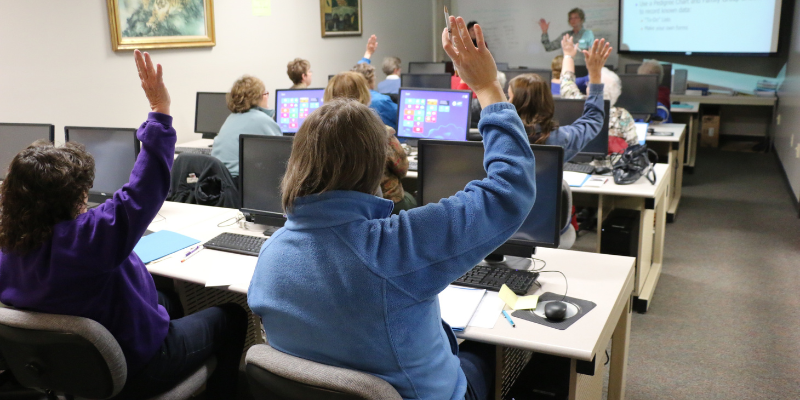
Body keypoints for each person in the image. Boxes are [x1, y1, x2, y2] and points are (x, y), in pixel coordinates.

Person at [248, 17, 535, 400]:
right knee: (492, 353)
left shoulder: (271, 253)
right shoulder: (396, 247)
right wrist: (487, 86)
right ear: (374, 164)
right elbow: (510, 190)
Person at [0, 50, 247, 399]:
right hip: (140, 367)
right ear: (71, 199)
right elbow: (142, 190)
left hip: (73, 368)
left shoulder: (9, 244)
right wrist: (160, 111)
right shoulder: (88, 239)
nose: (86, 200)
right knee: (232, 316)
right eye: (81, 193)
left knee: (166, 298)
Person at [509, 39, 612, 162]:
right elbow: (593, 119)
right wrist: (595, 75)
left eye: (509, 97)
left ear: (518, 103)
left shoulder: (499, 137)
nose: (507, 102)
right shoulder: (561, 139)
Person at [325, 72, 415, 213]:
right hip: (383, 203)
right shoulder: (381, 132)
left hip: (339, 208)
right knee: (411, 199)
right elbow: (402, 169)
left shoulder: (319, 135)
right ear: (364, 95)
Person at [560, 35, 638, 155]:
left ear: (592, 89)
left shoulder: (577, 105)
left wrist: (568, 55)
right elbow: (634, 150)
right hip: (613, 170)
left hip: (576, 168)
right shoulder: (623, 116)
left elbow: (566, 80)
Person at [211, 75, 281, 178]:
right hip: (242, 182)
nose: (266, 97)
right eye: (265, 93)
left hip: (222, 182)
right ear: (257, 97)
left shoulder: (231, 118)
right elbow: (281, 156)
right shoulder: (261, 120)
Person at [352, 62, 399, 130]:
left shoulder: (348, 97)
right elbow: (402, 117)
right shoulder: (381, 101)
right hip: (385, 139)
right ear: (371, 79)